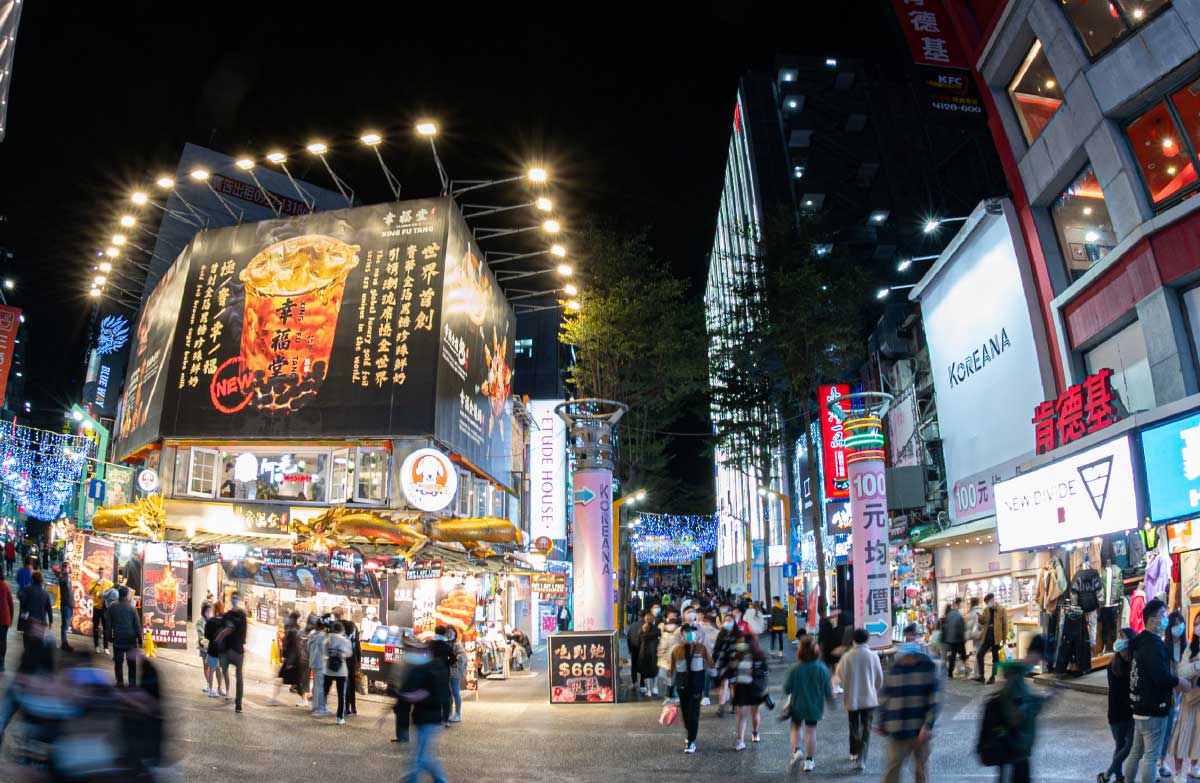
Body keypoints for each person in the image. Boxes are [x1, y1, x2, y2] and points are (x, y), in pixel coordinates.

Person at [1126, 599, 1192, 783]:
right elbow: (1160, 676)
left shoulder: (1138, 641)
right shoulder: (1154, 645)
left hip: (1138, 706)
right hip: (1153, 708)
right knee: (1151, 756)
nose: (1165, 619)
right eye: (1162, 614)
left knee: (1136, 753)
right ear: (1153, 618)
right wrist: (1179, 681)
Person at [878, 623, 940, 783]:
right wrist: (882, 721)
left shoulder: (927, 666)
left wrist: (928, 725)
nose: (905, 659)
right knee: (893, 769)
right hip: (898, 728)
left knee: (921, 770)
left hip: (920, 730)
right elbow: (885, 696)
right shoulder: (895, 667)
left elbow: (935, 699)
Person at [992, 634, 1054, 783]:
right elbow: (1015, 716)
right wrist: (1038, 702)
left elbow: (1020, 705)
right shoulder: (1015, 679)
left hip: (1017, 750)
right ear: (1034, 653)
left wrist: (1041, 699)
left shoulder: (1018, 675)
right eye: (1040, 657)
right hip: (1014, 750)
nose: (1039, 662)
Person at [397, 637, 451, 783]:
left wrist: (416, 696)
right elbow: (444, 696)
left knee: (419, 759)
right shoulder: (436, 668)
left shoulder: (432, 669)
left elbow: (436, 695)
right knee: (424, 758)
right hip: (427, 718)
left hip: (428, 718)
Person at [836, 627, 884, 771]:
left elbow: (840, 676)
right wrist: (873, 688)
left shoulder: (847, 656)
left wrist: (848, 684)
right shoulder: (873, 656)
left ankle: (853, 752)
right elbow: (879, 679)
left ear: (853, 640)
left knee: (853, 725)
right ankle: (862, 759)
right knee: (866, 729)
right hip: (869, 698)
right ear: (867, 639)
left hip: (852, 697)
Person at [784, 635, 833, 771]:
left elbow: (787, 688)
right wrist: (831, 704)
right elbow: (828, 691)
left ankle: (797, 751)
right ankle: (809, 761)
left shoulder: (795, 668)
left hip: (797, 705)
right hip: (814, 706)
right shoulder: (821, 668)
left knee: (796, 727)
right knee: (811, 731)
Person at [1100, 627, 1138, 783]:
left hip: (1131, 713)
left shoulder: (1135, 663)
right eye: (1118, 636)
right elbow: (1117, 691)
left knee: (1128, 746)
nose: (1118, 640)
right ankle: (1119, 777)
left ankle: (1107, 775)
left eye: (1121, 637)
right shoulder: (1113, 665)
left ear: (1129, 641)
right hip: (1116, 713)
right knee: (1120, 745)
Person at [1166, 613, 1200, 780]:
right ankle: (1178, 773)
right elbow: (1181, 671)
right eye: (1197, 623)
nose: (1198, 626)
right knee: (1183, 735)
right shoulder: (1190, 647)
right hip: (1190, 699)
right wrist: (1197, 665)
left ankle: (1195, 767)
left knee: (1198, 737)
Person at [670, 622, 713, 753]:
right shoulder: (676, 650)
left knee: (694, 713)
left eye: (691, 632)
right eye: (686, 633)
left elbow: (710, 663)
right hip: (682, 685)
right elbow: (671, 670)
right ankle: (690, 733)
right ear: (681, 635)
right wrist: (669, 691)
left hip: (696, 684)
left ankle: (691, 741)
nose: (689, 635)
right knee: (685, 712)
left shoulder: (701, 648)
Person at [724, 630, 769, 751]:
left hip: (754, 688)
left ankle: (755, 731)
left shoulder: (759, 656)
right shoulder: (737, 656)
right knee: (741, 715)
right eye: (739, 643)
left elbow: (765, 673)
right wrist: (730, 668)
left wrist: (753, 673)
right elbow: (729, 673)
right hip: (741, 688)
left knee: (755, 714)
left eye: (743, 643)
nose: (740, 645)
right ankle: (740, 740)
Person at [217, 591, 248, 713]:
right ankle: (230, 693)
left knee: (238, 676)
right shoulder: (231, 615)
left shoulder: (238, 615)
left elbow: (226, 631)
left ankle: (238, 703)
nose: (234, 600)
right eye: (233, 598)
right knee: (227, 671)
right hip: (231, 649)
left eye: (236, 598)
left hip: (235, 650)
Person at [107, 585, 141, 686]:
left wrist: (110, 637)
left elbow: (108, 625)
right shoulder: (132, 608)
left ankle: (120, 682)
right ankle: (132, 684)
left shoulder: (112, 606)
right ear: (127, 595)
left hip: (118, 639)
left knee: (118, 662)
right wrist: (140, 641)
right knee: (132, 664)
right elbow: (137, 625)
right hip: (131, 640)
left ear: (119, 594)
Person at [974, 593, 1009, 685]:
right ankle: (981, 676)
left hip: (996, 638)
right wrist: (980, 618)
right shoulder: (986, 610)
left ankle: (993, 677)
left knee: (995, 658)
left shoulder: (1002, 609)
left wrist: (1004, 639)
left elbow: (1005, 625)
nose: (987, 604)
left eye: (988, 602)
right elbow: (983, 622)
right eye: (986, 603)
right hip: (986, 637)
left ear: (993, 600)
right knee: (979, 655)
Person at [273, 611, 304, 706]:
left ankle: (304, 699)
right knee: (283, 679)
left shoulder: (293, 630)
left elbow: (294, 647)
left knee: (296, 682)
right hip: (292, 659)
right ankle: (274, 697)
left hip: (293, 660)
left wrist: (290, 661)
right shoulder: (293, 629)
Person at [324, 621, 352, 725]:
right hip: (341, 671)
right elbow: (349, 654)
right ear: (342, 630)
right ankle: (339, 718)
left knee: (325, 690)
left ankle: (323, 707)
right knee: (341, 695)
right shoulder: (346, 641)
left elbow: (324, 651)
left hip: (328, 669)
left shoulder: (327, 639)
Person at [333, 607, 360, 716]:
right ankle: (353, 708)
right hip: (352, 658)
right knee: (351, 683)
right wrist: (358, 660)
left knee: (342, 684)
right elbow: (357, 644)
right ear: (343, 614)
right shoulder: (353, 626)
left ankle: (344, 708)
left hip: (341, 658)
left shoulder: (336, 627)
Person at [18, 570, 53, 649]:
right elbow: (49, 609)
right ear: (41, 580)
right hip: (41, 623)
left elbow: (23, 602)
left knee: (27, 646)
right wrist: (51, 621)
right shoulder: (45, 593)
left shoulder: (27, 589)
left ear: (32, 579)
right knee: (38, 647)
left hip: (29, 622)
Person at [712, 612, 737, 716]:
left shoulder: (738, 634)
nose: (727, 622)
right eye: (726, 620)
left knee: (734, 685)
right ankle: (721, 707)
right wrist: (713, 661)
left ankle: (735, 705)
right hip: (724, 663)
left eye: (730, 620)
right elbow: (716, 648)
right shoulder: (721, 634)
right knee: (724, 684)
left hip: (735, 662)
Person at [307, 618, 330, 716]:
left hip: (313, 662)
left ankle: (315, 707)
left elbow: (308, 648)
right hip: (321, 663)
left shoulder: (312, 635)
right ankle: (319, 708)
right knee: (320, 686)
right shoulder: (323, 637)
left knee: (316, 686)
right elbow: (327, 650)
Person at [88, 566, 113, 655]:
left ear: (105, 573)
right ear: (98, 573)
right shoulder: (94, 581)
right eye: (99, 572)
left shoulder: (109, 583)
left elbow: (112, 595)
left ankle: (106, 647)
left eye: (102, 572)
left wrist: (105, 596)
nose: (101, 574)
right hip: (96, 607)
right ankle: (96, 646)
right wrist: (96, 585)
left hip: (105, 608)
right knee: (95, 627)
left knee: (106, 628)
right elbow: (89, 592)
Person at [941, 598, 967, 679]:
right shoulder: (958, 615)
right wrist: (963, 638)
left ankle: (950, 673)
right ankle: (966, 670)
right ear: (957, 605)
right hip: (958, 639)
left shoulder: (948, 615)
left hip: (950, 640)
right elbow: (962, 627)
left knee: (953, 656)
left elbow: (945, 627)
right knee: (963, 655)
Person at [637, 610, 661, 696]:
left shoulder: (642, 630)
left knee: (645, 671)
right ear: (653, 619)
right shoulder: (657, 630)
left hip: (644, 653)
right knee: (655, 670)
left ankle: (649, 690)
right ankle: (655, 687)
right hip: (654, 652)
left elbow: (639, 642)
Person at [447, 626, 467, 723]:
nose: (448, 634)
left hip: (455, 673)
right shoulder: (447, 643)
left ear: (454, 633)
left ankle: (458, 714)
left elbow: (463, 657)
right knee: (449, 694)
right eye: (447, 633)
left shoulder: (457, 645)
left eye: (450, 632)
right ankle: (450, 713)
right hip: (448, 672)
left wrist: (454, 663)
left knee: (455, 692)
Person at [658, 616, 680, 702]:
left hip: (676, 661)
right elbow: (661, 649)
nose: (670, 626)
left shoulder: (679, 635)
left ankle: (672, 696)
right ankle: (668, 696)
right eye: (669, 624)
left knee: (673, 680)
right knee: (668, 680)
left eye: (673, 624)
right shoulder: (665, 635)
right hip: (666, 662)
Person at [54, 565, 73, 651]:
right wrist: (65, 571)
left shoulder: (67, 577)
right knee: (65, 625)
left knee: (66, 624)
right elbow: (56, 570)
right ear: (64, 568)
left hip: (69, 604)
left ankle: (64, 643)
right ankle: (64, 644)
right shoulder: (63, 577)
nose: (69, 568)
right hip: (65, 604)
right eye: (67, 567)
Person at [0, 574, 11, 673]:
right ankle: (1, 664)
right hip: (4, 619)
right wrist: (10, 617)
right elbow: (10, 603)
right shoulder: (5, 585)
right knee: (3, 641)